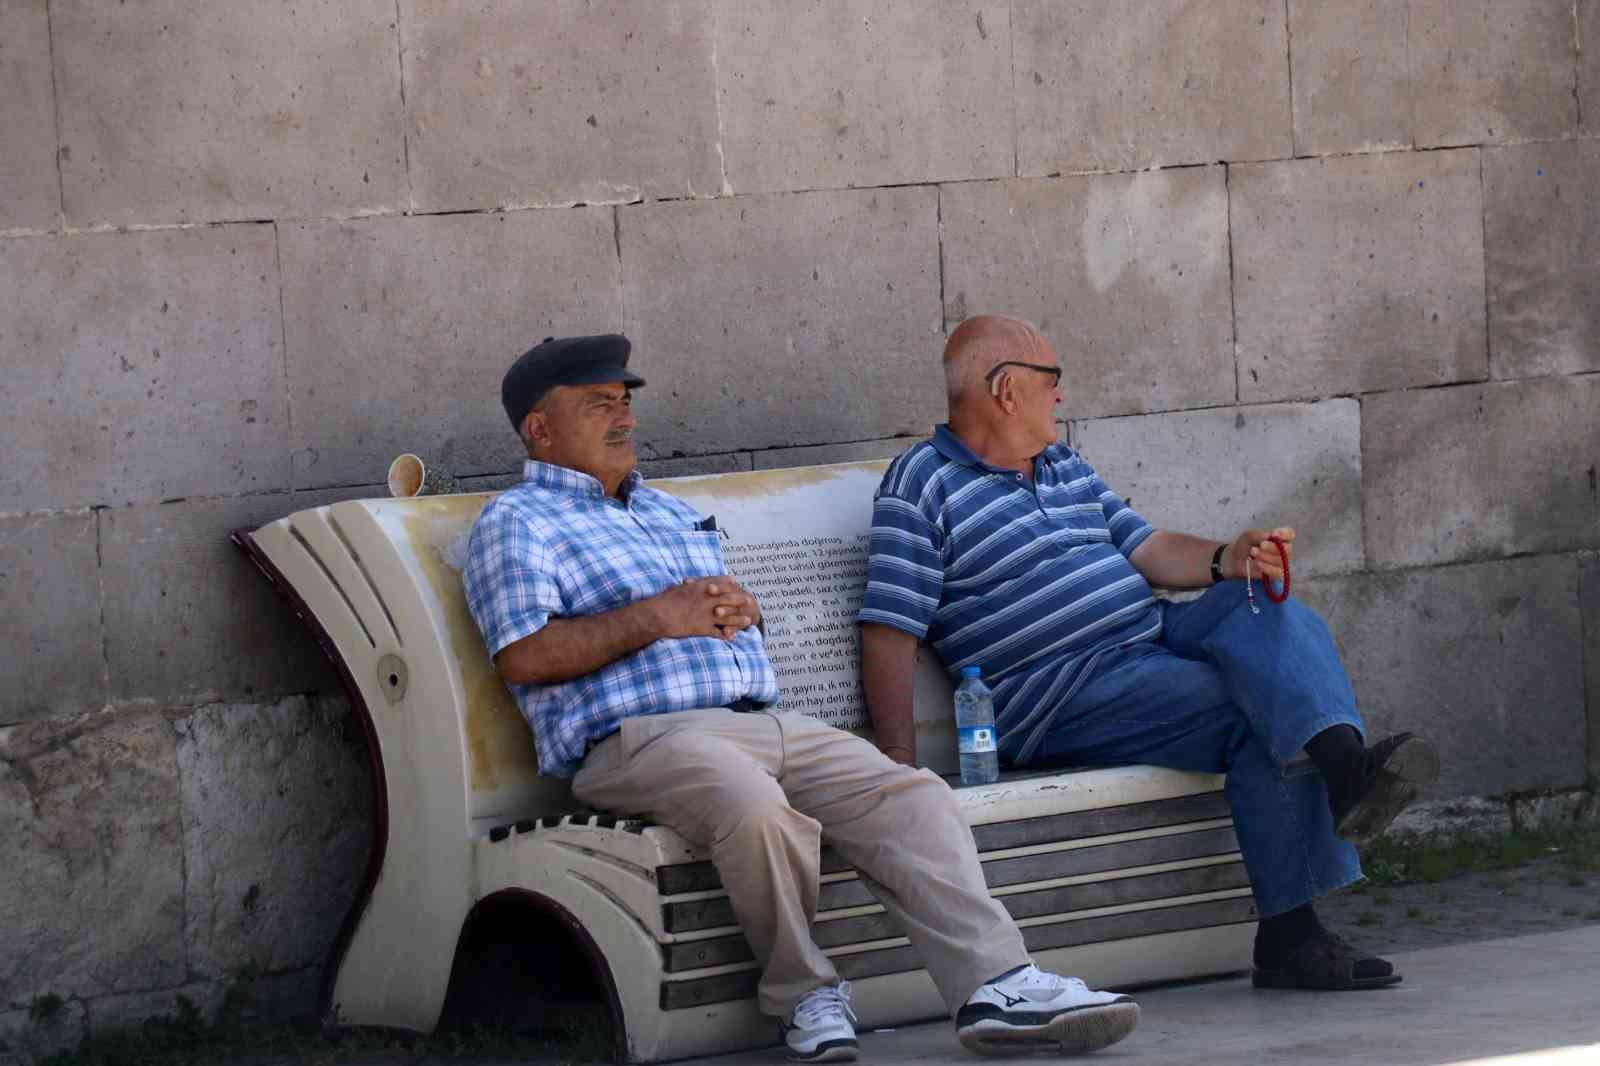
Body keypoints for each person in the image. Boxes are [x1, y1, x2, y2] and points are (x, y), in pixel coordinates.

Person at [463, 334, 1141, 1061]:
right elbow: (526, 656)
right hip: (639, 740)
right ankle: (805, 993)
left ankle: (996, 988)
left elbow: (701, 614)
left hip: (763, 722)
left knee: (912, 795)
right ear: (539, 428)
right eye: (599, 405)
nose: (623, 418)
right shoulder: (516, 522)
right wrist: (659, 616)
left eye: (626, 402)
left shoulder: (661, 509)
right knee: (754, 809)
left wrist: (738, 613)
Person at [858, 315, 1440, 993]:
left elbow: (1150, 549)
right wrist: (895, 769)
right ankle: (1295, 924)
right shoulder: (921, 485)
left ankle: (1345, 774)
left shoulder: (1063, 465)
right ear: (1007, 389)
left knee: (1259, 599)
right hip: (1060, 689)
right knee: (1261, 714)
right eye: (1053, 381)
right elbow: (888, 629)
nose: (1061, 397)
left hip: (1151, 635)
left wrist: (1232, 557)